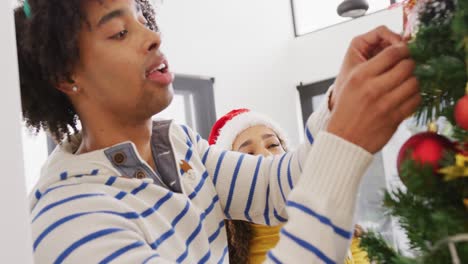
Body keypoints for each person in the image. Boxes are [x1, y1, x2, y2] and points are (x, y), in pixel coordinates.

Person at [15, 0, 420, 262]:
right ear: (66, 76)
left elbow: (281, 187)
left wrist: (339, 98)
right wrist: (345, 146)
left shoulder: (179, 146)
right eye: (120, 32)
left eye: (143, 20)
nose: (154, 37)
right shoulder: (71, 220)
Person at [209, 108, 370, 264]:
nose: (265, 155)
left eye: (272, 145)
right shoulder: (224, 253)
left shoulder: (332, 218)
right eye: (249, 154)